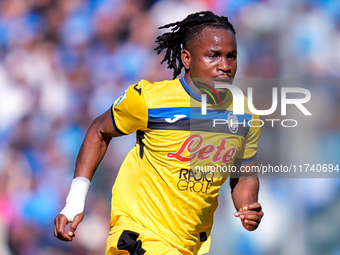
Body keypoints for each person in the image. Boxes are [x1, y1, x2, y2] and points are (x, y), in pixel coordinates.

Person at [54, 11, 264, 255]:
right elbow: (100, 131)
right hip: (139, 236)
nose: (225, 66)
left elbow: (244, 176)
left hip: (189, 246)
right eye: (213, 56)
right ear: (187, 58)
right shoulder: (151, 100)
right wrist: (75, 201)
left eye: (232, 56)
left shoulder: (245, 115)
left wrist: (247, 206)